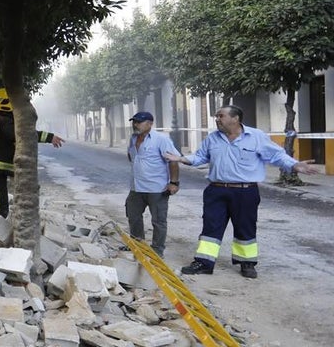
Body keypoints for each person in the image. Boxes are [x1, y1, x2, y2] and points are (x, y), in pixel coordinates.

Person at [166, 104, 316, 278]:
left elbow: (276, 155)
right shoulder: (212, 138)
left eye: (221, 116)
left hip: (245, 191)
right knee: (211, 227)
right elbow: (201, 157)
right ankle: (204, 262)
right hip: (216, 190)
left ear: (235, 118)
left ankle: (247, 264)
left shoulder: (256, 136)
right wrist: (182, 159)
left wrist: (294, 164)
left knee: (245, 227)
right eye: (216, 116)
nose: (217, 119)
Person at [0, 88, 64, 234]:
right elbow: (24, 134)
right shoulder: (5, 122)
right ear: (6, 103)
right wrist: (49, 137)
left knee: (0, 206)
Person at [125, 111, 181, 257]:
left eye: (139, 122)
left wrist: (174, 183)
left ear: (150, 124)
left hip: (157, 188)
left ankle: (157, 250)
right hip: (136, 187)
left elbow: (173, 160)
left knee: (158, 221)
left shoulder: (161, 140)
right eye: (134, 122)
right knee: (133, 216)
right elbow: (131, 156)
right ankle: (138, 245)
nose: (135, 124)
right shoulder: (133, 138)